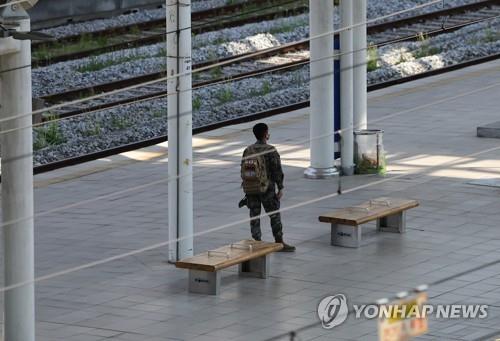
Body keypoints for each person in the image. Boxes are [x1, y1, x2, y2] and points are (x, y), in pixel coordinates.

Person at [239, 123, 295, 252]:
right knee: (274, 215)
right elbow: (277, 170)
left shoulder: (248, 150)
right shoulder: (271, 150)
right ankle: (279, 242)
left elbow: (243, 169)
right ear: (266, 134)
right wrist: (280, 187)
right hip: (267, 189)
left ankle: (256, 243)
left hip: (251, 189)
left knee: (254, 216)